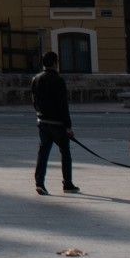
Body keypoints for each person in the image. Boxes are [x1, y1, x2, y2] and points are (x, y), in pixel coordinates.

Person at [31, 50, 79, 195]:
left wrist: (39, 114)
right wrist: (68, 126)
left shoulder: (36, 79)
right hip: (58, 124)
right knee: (65, 152)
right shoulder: (58, 80)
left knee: (43, 152)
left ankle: (40, 182)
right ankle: (67, 184)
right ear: (54, 63)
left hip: (43, 121)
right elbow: (63, 105)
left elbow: (34, 101)